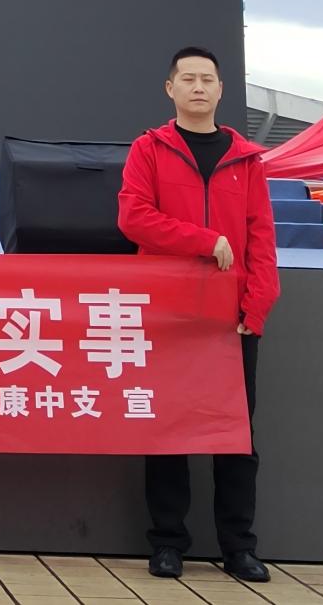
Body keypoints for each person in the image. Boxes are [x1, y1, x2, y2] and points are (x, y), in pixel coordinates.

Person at [117, 46, 279, 583]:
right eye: (187, 79)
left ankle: (239, 547)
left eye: (207, 79)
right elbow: (134, 218)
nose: (198, 87)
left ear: (221, 89)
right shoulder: (149, 149)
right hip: (167, 313)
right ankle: (167, 543)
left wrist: (256, 308)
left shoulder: (247, 160)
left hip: (230, 320)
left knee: (237, 436)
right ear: (170, 89)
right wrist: (205, 240)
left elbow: (261, 240)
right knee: (167, 430)